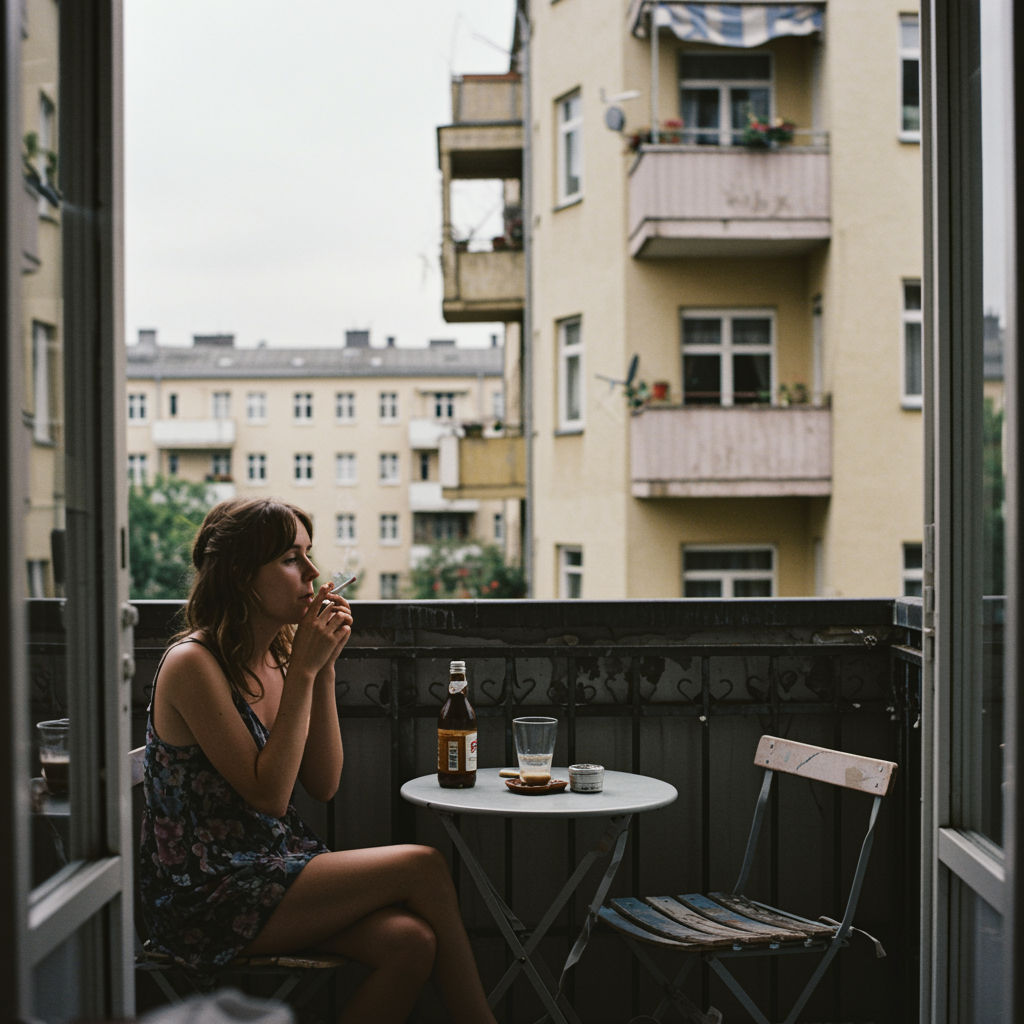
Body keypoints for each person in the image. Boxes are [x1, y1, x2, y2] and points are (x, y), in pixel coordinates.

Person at [139, 497, 498, 1024]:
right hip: (207, 895)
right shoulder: (193, 663)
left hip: (267, 870)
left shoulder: (275, 658)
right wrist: (304, 670)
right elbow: (269, 795)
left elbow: (323, 782)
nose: (312, 572)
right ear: (241, 576)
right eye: (290, 558)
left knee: (410, 943)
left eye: (309, 554)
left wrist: (323, 668)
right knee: (422, 865)